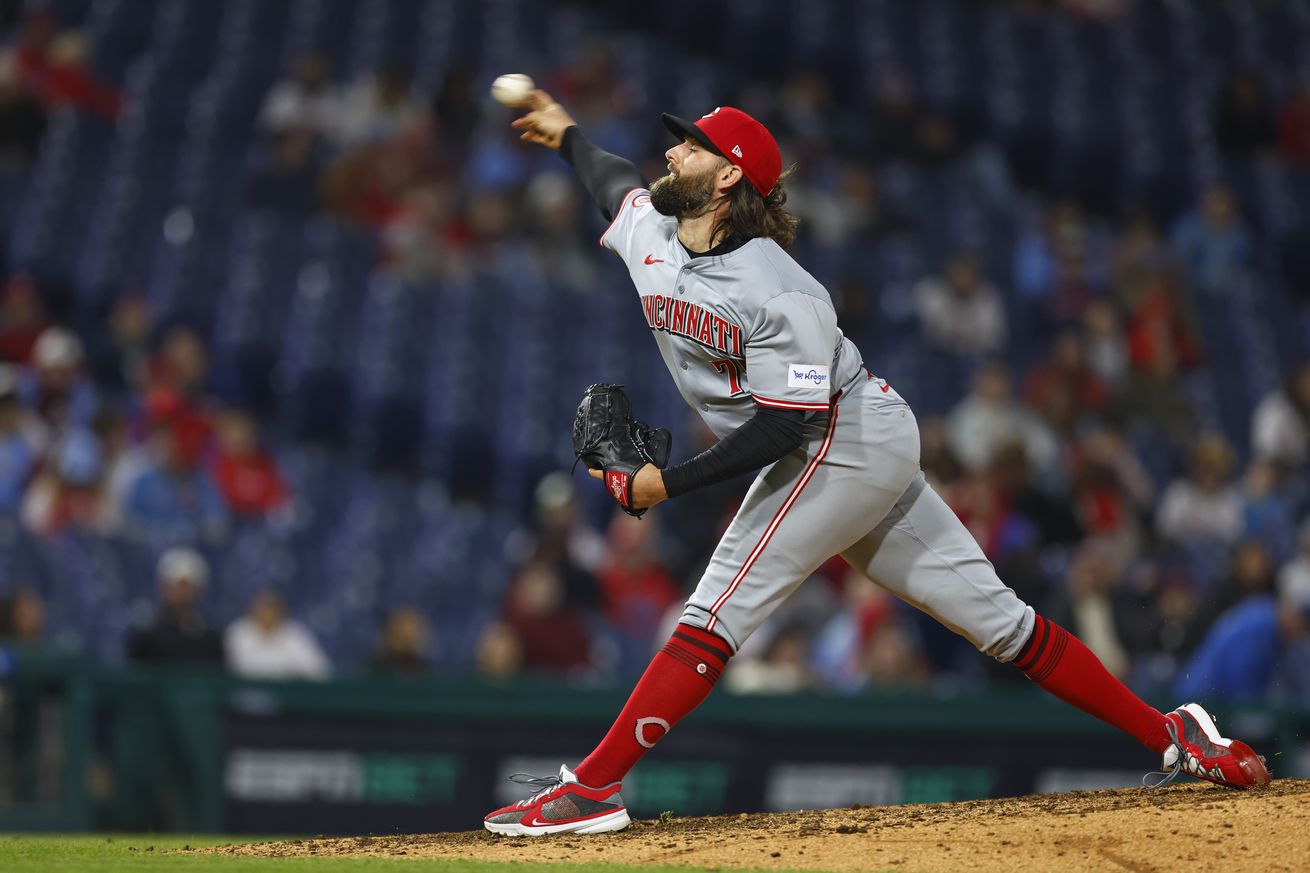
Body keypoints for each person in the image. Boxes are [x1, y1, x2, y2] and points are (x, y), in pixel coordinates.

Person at [483, 93, 1270, 837]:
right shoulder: (652, 231)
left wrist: (668, 482)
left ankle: (591, 789)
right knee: (1003, 625)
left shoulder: (780, 288)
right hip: (849, 440)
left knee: (715, 607)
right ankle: (1173, 734)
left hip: (840, 434)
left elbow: (791, 423)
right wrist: (565, 134)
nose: (670, 150)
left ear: (727, 176)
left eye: (690, 144)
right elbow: (611, 182)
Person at [126, 548, 222, 665]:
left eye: (188, 587)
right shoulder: (147, 639)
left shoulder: (211, 641)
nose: (183, 593)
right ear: (163, 588)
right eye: (178, 586)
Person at [224, 591, 330, 681]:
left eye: (273, 610)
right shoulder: (237, 631)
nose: (268, 614)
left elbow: (319, 671)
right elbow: (240, 669)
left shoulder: (295, 633)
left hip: (287, 700)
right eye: (263, 609)